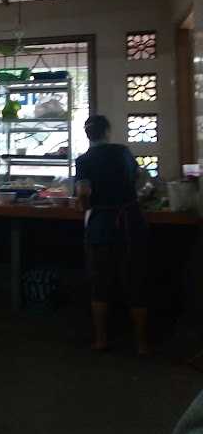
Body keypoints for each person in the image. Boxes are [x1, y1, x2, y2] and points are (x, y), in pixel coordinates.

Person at [75, 114, 149, 355]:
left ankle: (101, 339)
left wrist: (85, 206)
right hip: (130, 222)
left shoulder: (83, 160)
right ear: (107, 131)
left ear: (88, 135)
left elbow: (84, 195)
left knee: (100, 282)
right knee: (135, 281)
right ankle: (141, 344)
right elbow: (141, 180)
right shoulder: (123, 152)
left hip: (101, 225)